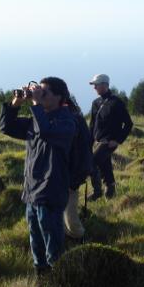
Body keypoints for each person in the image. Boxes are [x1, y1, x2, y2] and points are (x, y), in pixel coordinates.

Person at [0, 77, 76, 276]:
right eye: (39, 91)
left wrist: (36, 103)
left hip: (51, 189)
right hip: (32, 189)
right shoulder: (37, 120)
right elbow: (6, 127)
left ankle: (58, 276)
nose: (40, 95)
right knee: (35, 237)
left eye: (45, 92)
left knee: (52, 238)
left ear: (59, 97)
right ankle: (41, 275)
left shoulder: (67, 121)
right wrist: (16, 103)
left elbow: (47, 132)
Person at [87, 74, 133, 200]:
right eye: (94, 85)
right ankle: (110, 189)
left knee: (92, 163)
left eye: (96, 85)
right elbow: (92, 125)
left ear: (105, 85)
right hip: (97, 141)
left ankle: (97, 192)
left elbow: (128, 123)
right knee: (104, 164)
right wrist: (88, 143)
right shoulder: (95, 103)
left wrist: (118, 140)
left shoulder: (116, 102)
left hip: (109, 142)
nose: (94, 88)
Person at [63, 95, 93, 240]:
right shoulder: (49, 118)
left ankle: (83, 244)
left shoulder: (75, 120)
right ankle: (69, 242)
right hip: (54, 178)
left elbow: (84, 151)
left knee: (70, 219)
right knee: (60, 219)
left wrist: (75, 179)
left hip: (70, 178)